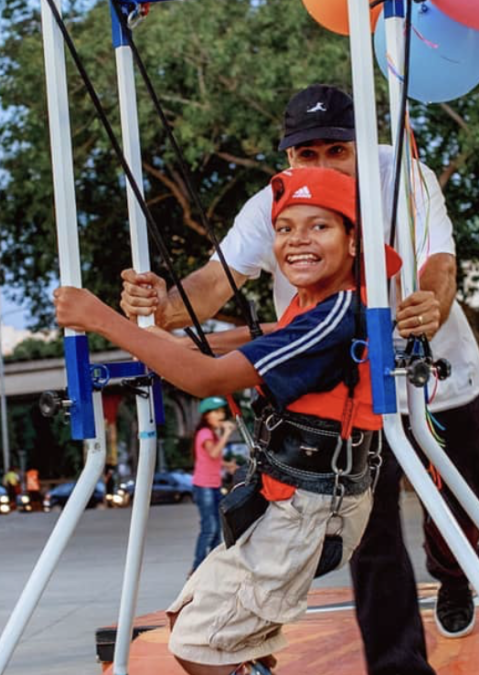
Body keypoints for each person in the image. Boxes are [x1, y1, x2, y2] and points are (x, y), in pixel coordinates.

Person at [121, 84, 479, 665]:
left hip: (438, 373)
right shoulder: (272, 202)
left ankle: (453, 576)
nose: (322, 166)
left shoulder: (404, 176)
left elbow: (439, 261)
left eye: (337, 151)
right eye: (307, 154)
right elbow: (213, 283)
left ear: (361, 145)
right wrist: (160, 305)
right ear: (289, 155)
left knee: (464, 506)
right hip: (348, 389)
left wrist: (432, 303)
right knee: (369, 534)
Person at [55, 166, 389, 675]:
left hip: (310, 507)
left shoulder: (334, 314)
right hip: (285, 495)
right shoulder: (316, 307)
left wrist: (101, 319)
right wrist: (173, 334)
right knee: (190, 615)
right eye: (285, 228)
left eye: (319, 226)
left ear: (353, 242)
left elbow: (207, 378)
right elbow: (243, 341)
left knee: (199, 644)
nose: (298, 239)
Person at [191, 396, 234, 573]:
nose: (221, 415)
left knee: (217, 530)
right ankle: (197, 568)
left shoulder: (212, 434)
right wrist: (227, 433)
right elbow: (214, 453)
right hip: (204, 486)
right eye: (216, 412)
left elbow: (212, 459)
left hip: (213, 485)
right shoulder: (205, 433)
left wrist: (228, 465)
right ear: (206, 415)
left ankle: (213, 568)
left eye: (222, 411)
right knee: (210, 529)